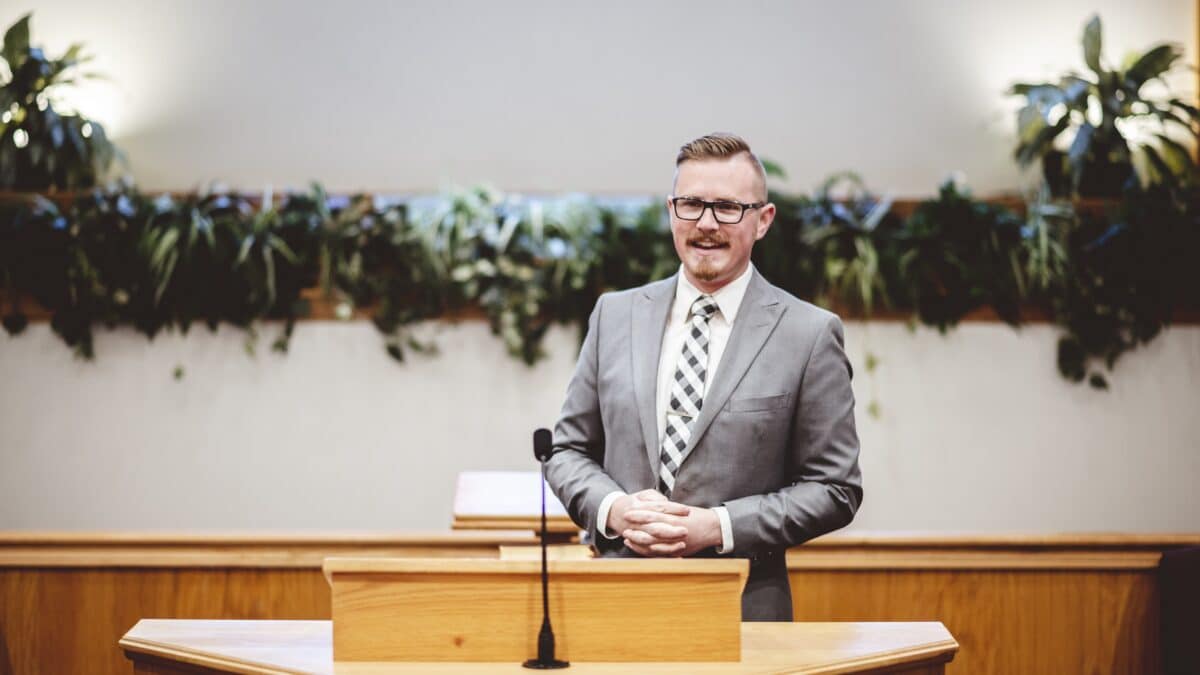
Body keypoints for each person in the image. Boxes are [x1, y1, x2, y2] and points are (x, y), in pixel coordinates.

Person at [545, 132, 862, 621]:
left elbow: (835, 489)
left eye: (728, 208)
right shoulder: (615, 315)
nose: (707, 224)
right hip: (614, 603)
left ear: (763, 220)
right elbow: (567, 451)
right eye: (691, 204)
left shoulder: (810, 334)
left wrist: (718, 525)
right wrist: (614, 510)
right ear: (671, 210)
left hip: (742, 612)